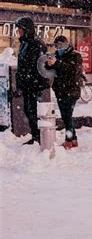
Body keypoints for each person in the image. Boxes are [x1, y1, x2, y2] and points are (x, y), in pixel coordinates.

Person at [15, 16, 50, 145]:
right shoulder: (24, 44)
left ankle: (40, 137)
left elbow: (39, 66)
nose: (18, 31)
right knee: (28, 110)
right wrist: (20, 86)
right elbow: (22, 68)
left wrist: (33, 82)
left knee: (34, 111)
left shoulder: (36, 44)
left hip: (35, 85)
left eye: (20, 29)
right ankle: (35, 135)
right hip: (27, 85)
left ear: (26, 29)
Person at [46, 36, 83, 149]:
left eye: (61, 45)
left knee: (67, 117)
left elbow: (73, 71)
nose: (58, 48)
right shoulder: (57, 55)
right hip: (60, 91)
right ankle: (74, 139)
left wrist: (57, 63)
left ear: (67, 44)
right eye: (56, 46)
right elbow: (52, 69)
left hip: (71, 91)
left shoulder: (75, 55)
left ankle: (69, 140)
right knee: (67, 117)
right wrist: (48, 64)